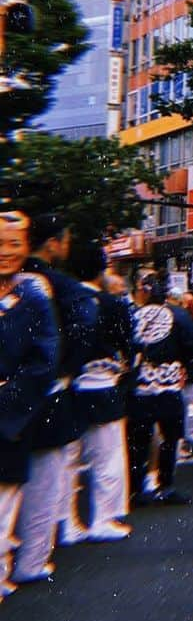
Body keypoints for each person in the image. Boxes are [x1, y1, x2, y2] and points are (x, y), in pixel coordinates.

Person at [12, 214, 98, 584]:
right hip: (48, 392)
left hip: (13, 391)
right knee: (45, 479)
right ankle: (32, 560)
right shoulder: (61, 287)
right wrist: (64, 370)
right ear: (52, 243)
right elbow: (83, 328)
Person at [58, 239, 136, 542]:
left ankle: (67, 522)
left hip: (69, 385)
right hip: (104, 384)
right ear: (102, 269)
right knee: (108, 457)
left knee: (68, 459)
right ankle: (103, 518)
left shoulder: (63, 300)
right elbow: (127, 347)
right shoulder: (112, 304)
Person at [0, 212, 58, 599]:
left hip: (8, 416)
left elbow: (44, 361)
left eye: (14, 243)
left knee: (3, 499)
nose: (6, 252)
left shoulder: (33, 299)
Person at [128, 273, 193, 506]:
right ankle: (166, 485)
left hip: (140, 385)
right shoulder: (178, 315)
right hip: (169, 383)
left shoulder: (134, 314)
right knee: (170, 438)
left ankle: (136, 488)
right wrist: (188, 369)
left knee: (139, 440)